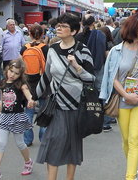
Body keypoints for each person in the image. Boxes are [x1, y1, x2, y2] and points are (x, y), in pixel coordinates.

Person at [35, 12, 95, 180]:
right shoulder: (52, 49)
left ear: (74, 31)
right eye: (58, 25)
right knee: (52, 141)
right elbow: (46, 76)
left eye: (63, 26)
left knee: (72, 145)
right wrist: (33, 97)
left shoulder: (83, 50)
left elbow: (91, 79)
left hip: (76, 105)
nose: (58, 28)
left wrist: (77, 66)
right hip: (56, 105)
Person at [101, 15, 138, 180]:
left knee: (135, 138)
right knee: (126, 139)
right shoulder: (116, 51)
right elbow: (112, 77)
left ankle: (130, 176)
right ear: (133, 30)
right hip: (122, 99)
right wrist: (126, 95)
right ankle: (132, 168)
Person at [0, 59, 37, 180]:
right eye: (11, 71)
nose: (12, 74)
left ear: (20, 75)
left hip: (17, 117)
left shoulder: (21, 84)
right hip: (4, 117)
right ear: (7, 69)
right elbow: (2, 100)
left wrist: (31, 101)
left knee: (20, 143)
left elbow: (28, 94)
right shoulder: (2, 83)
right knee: (1, 143)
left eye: (16, 73)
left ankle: (28, 162)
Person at [21, 24, 49, 147]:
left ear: (30, 34)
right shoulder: (45, 48)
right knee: (43, 111)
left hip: (27, 83)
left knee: (28, 112)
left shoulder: (24, 48)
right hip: (42, 83)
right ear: (42, 34)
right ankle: (43, 138)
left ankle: (27, 140)